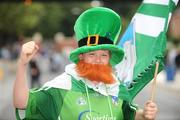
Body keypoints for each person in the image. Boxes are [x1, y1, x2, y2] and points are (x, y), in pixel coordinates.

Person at [13, 7, 158, 120]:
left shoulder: (116, 87)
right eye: (92, 54)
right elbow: (22, 103)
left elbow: (130, 116)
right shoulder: (63, 85)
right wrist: (22, 64)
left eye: (103, 55)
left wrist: (144, 114)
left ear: (109, 59)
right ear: (81, 57)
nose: (98, 59)